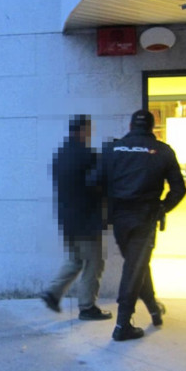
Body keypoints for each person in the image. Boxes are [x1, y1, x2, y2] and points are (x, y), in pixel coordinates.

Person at [102, 109, 186, 341]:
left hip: (119, 218)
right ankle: (122, 325)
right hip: (145, 217)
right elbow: (179, 189)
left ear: (130, 126)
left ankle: (154, 310)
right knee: (135, 267)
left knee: (137, 264)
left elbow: (96, 182)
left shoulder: (112, 149)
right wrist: (163, 208)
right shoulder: (164, 151)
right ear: (152, 127)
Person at [41, 115, 111, 320]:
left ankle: (52, 293)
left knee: (75, 259)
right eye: (89, 130)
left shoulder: (60, 154)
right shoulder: (88, 155)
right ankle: (87, 307)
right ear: (83, 130)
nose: (90, 134)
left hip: (67, 220)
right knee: (93, 263)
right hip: (86, 221)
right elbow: (98, 184)